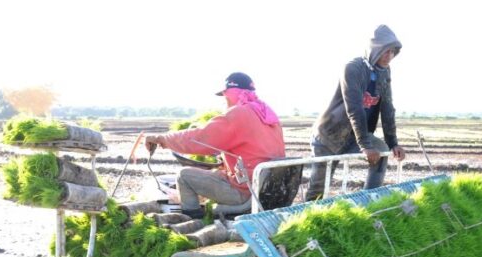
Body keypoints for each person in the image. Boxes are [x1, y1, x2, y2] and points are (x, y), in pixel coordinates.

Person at [145, 72, 285, 218]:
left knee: (184, 176)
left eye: (225, 97)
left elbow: (199, 138)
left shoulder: (238, 114)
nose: (225, 102)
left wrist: (162, 139)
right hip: (268, 188)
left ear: (230, 94)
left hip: (245, 192)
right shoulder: (266, 113)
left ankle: (193, 221)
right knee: (214, 175)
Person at [305, 24, 406, 202]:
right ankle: (307, 218)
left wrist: (393, 143)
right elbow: (354, 108)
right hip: (330, 135)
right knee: (319, 187)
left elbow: (387, 107)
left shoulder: (384, 72)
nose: (388, 56)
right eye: (385, 51)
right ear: (375, 49)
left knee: (381, 152)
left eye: (392, 52)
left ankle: (368, 203)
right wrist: (365, 145)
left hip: (353, 136)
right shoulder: (353, 68)